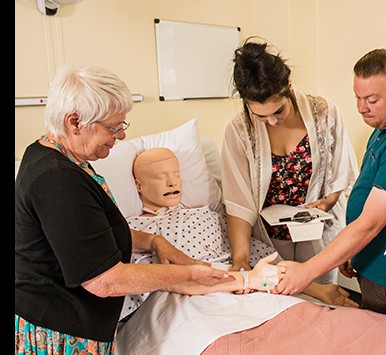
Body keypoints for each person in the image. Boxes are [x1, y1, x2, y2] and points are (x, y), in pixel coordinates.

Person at [15, 65, 235, 354]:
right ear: (75, 121)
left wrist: (154, 241)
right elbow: (105, 281)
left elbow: (90, 233)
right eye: (113, 127)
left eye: (122, 126)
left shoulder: (56, 156)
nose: (120, 136)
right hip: (59, 328)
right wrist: (190, 274)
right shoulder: (56, 180)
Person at [276, 48, 386, 326]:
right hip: (376, 266)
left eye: (371, 99)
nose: (360, 107)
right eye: (357, 96)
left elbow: (369, 224)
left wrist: (306, 272)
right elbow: (371, 197)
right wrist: (355, 252)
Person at [120, 147, 357, 320]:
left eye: (176, 175)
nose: (172, 182)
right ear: (139, 186)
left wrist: (306, 284)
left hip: (246, 285)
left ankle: (320, 293)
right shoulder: (135, 230)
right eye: (162, 177)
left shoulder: (207, 214)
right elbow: (144, 277)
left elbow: (254, 253)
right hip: (187, 296)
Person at [221, 37, 359, 286]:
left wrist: (328, 202)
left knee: (323, 303)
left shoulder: (324, 113)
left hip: (317, 236)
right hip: (269, 241)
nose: (272, 121)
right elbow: (238, 202)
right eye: (261, 116)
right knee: (283, 306)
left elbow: (343, 172)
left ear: (288, 85)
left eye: (278, 111)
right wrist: (240, 259)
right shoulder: (240, 132)